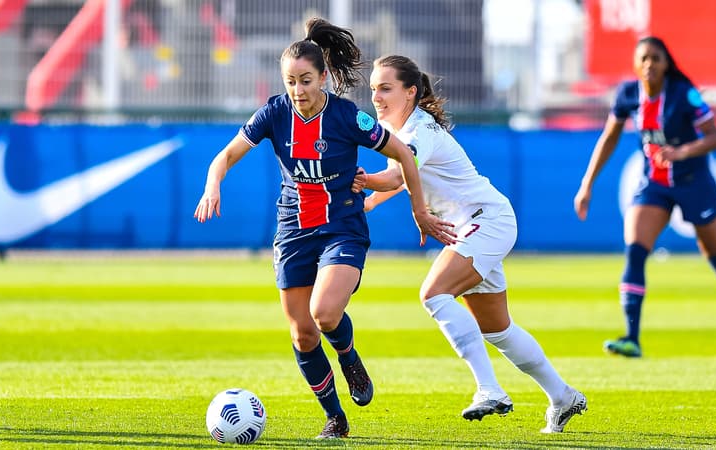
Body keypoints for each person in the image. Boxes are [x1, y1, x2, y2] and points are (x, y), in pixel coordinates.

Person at [194, 19, 456, 440]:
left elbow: (404, 155)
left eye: (306, 80)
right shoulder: (274, 112)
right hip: (294, 229)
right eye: (291, 81)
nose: (298, 90)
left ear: (324, 78)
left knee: (325, 312)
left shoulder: (347, 116)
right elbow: (224, 156)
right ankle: (335, 418)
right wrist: (212, 185)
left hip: (342, 227)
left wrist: (419, 211)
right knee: (302, 332)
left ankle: (350, 358)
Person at [353, 55, 587, 433]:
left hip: (486, 220)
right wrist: (369, 201)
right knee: (498, 330)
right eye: (374, 89)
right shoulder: (390, 126)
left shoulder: (421, 128)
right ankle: (562, 396)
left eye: (385, 88)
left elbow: (397, 174)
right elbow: (403, 180)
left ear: (410, 92)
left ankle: (489, 389)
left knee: (433, 294)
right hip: (472, 225)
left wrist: (362, 180)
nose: (376, 96)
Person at [573, 36, 716, 360]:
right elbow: (609, 137)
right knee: (635, 250)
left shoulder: (683, 94)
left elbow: (715, 137)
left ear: (666, 63)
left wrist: (681, 152)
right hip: (654, 185)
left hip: (694, 183)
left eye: (656, 59)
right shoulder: (628, 94)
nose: (649, 64)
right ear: (636, 64)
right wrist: (586, 184)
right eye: (644, 58)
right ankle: (632, 338)